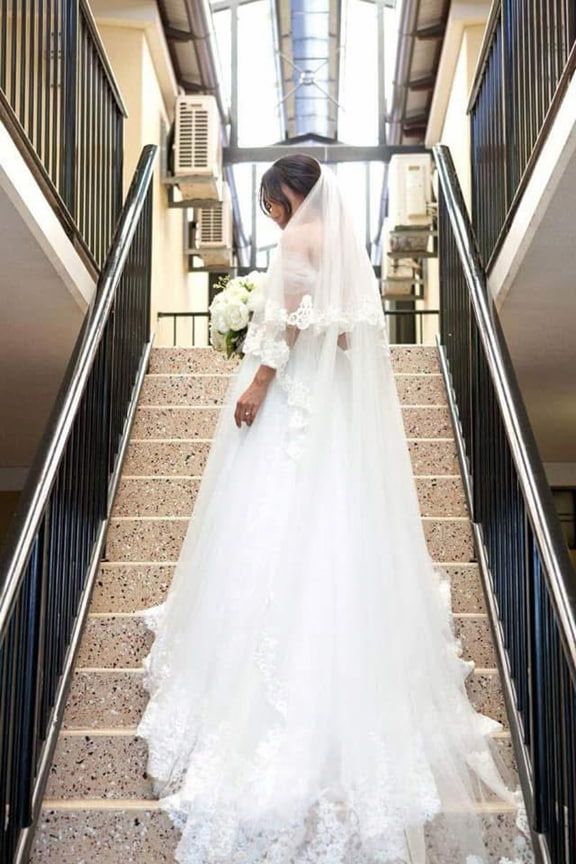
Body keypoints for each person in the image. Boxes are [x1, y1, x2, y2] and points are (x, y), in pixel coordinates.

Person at [136, 155, 529, 863]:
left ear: (290, 195)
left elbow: (285, 325)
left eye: (273, 203)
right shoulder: (346, 251)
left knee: (271, 524)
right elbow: (345, 336)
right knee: (332, 530)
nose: (276, 217)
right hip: (331, 418)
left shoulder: (296, 244)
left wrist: (256, 380)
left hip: (290, 401)